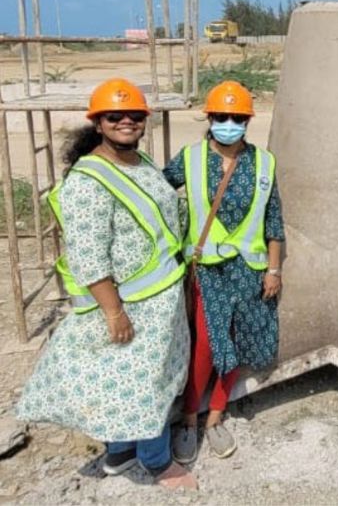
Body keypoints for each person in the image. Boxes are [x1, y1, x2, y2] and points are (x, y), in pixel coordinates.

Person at [16, 78, 197, 489]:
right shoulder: (87, 182)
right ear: (98, 123)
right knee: (146, 386)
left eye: (135, 115)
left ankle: (120, 451)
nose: (126, 122)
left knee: (137, 381)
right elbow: (88, 257)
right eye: (115, 116)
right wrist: (113, 312)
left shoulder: (141, 163)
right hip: (131, 302)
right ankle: (156, 462)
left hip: (160, 297)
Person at [164, 80, 284, 462]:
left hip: (249, 270)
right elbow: (156, 194)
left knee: (239, 341)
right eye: (221, 116)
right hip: (208, 271)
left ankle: (215, 417)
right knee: (205, 347)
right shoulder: (190, 158)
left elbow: (273, 221)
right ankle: (188, 419)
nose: (229, 123)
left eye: (237, 117)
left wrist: (274, 269)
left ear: (247, 121)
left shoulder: (263, 162)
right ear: (209, 118)